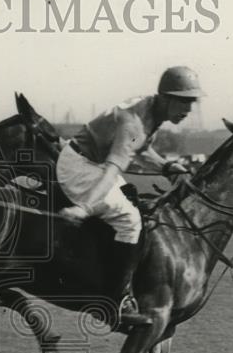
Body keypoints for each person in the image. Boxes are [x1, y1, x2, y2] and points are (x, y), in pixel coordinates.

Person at [57, 66, 205, 328]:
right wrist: (86, 206)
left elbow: (143, 149)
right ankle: (115, 301)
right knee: (130, 219)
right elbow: (114, 167)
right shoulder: (134, 121)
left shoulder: (151, 110)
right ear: (166, 98)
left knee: (132, 201)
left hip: (92, 163)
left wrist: (167, 166)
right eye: (183, 101)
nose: (188, 109)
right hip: (81, 166)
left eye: (191, 102)